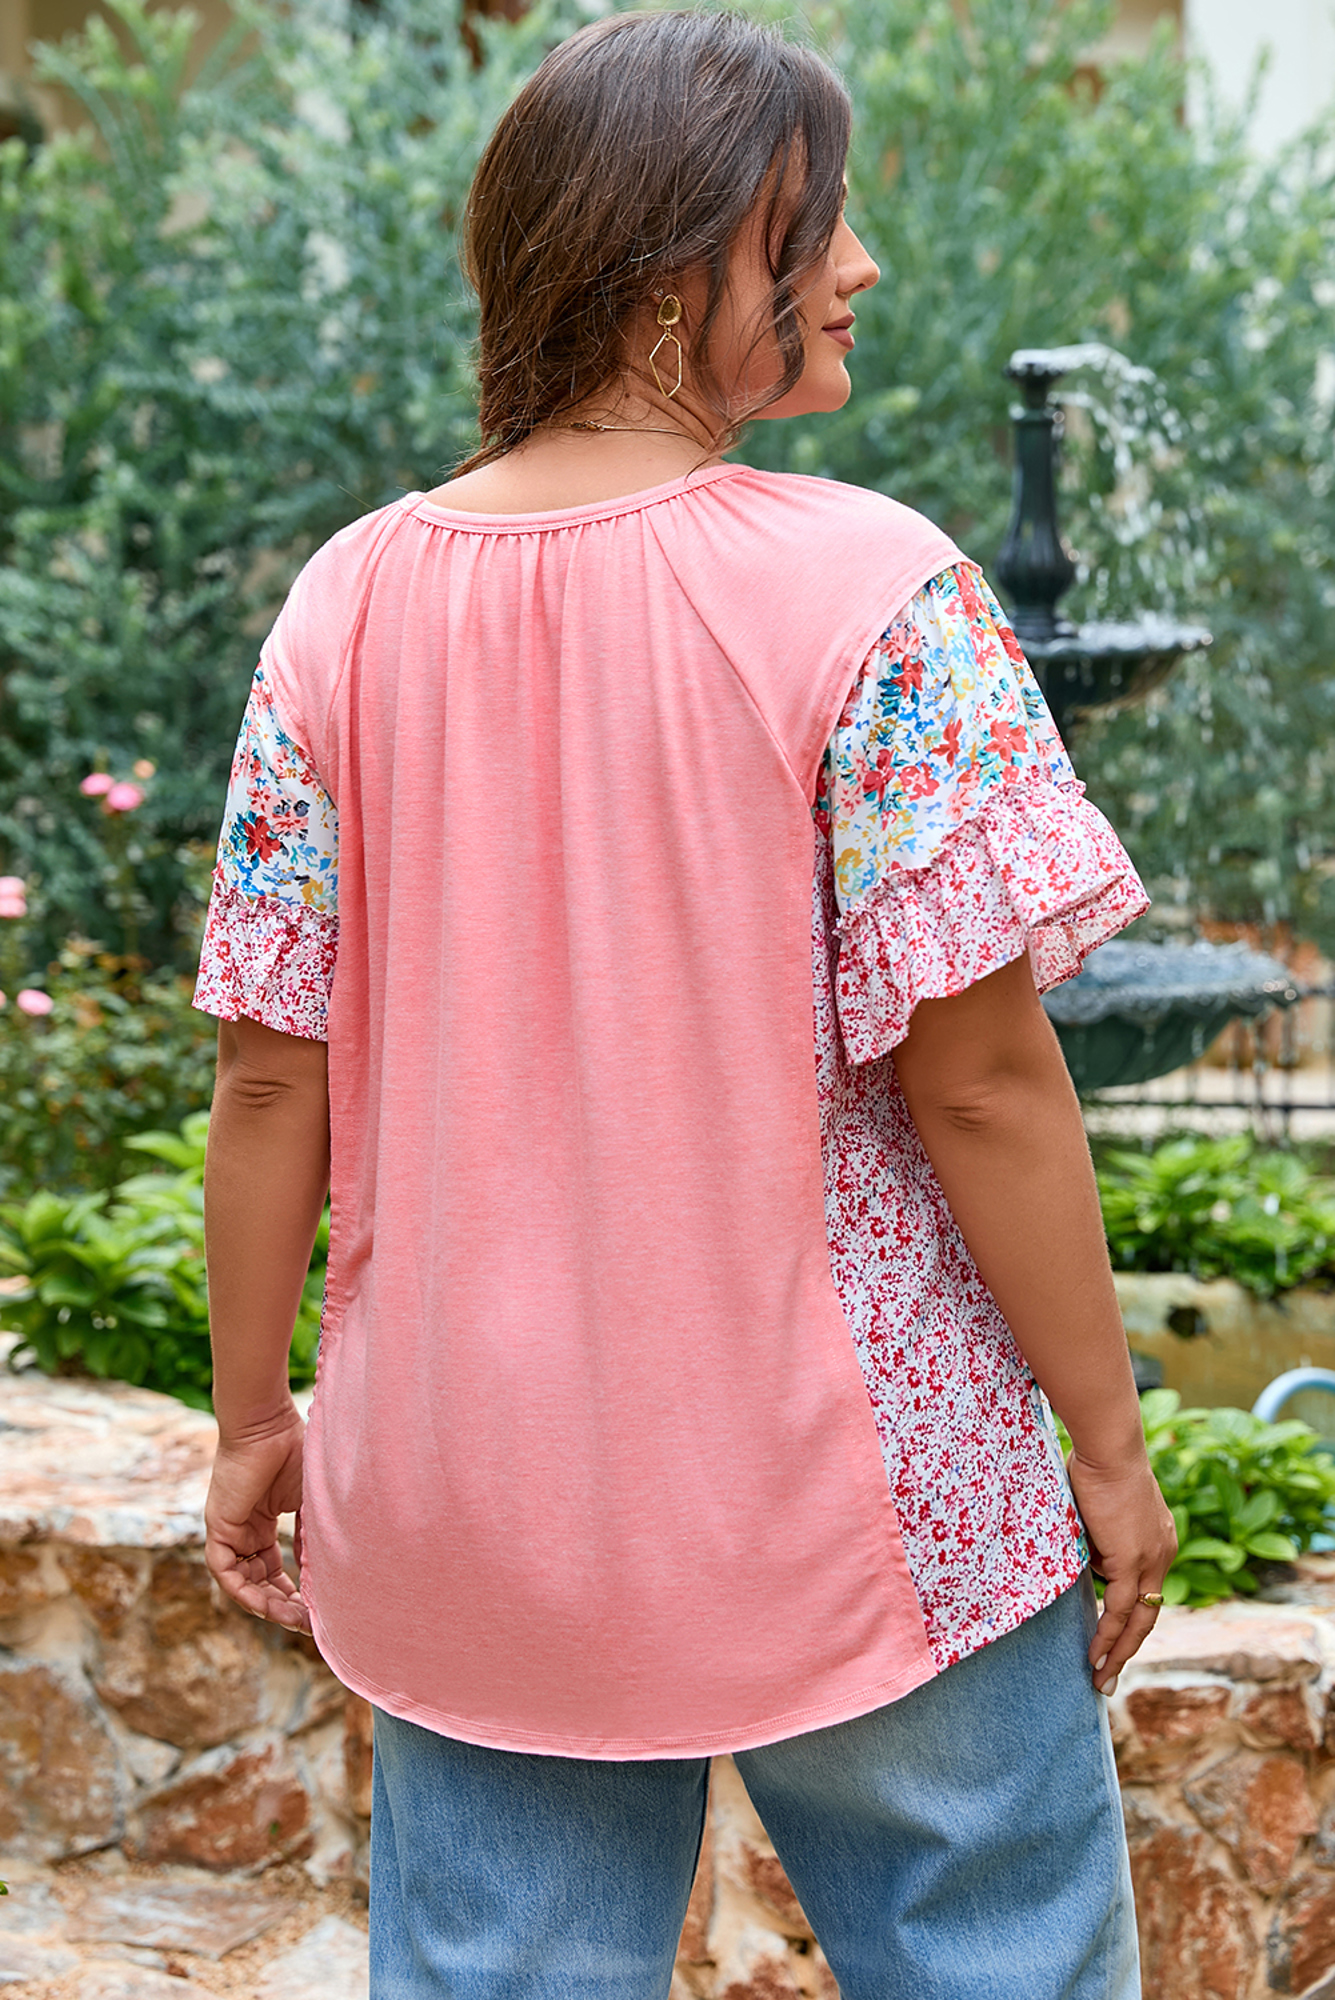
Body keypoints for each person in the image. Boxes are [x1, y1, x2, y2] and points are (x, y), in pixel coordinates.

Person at [195, 12, 1176, 1997]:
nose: (858, 265)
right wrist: (1104, 1432)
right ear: (671, 260)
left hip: (470, 1505)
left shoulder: (343, 607)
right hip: (865, 1497)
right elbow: (984, 1084)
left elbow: (271, 1076)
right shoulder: (870, 588)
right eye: (815, 224)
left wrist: (249, 1420)